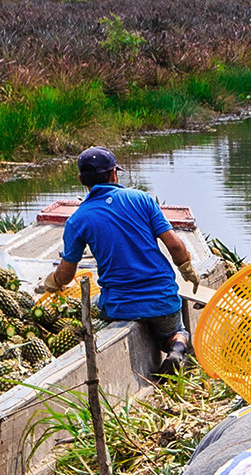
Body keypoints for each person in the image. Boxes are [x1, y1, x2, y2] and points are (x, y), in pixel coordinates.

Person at [42, 147, 201, 372]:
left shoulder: (77, 220)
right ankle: (176, 347)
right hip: (161, 298)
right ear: (114, 174)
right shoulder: (141, 199)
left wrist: (53, 281)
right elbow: (174, 245)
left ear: (81, 179)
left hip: (120, 305)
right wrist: (187, 269)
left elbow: (66, 275)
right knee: (177, 331)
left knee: (95, 302)